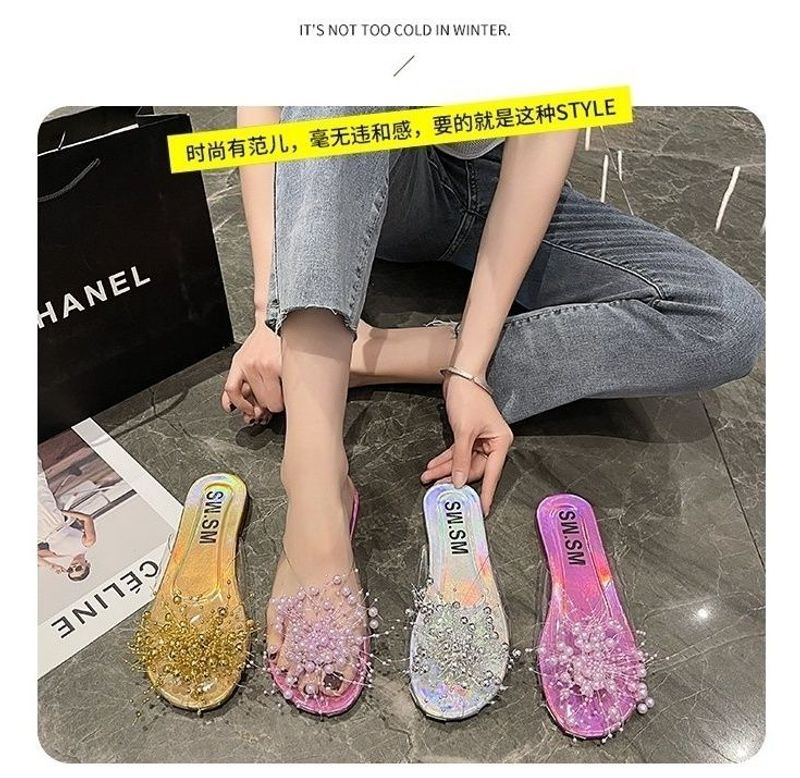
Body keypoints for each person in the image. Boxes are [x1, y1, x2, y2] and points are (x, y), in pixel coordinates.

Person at [221, 106, 765, 701]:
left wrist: (469, 366)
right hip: (370, 173)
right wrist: (269, 312)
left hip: (497, 176)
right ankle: (315, 482)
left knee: (726, 323)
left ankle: (364, 357)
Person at [38, 458, 96, 582]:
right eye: (79, 568)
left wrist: (51, 566)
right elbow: (87, 519)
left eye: (70, 570)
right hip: (54, 522)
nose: (74, 567)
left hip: (41, 533)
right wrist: (64, 513)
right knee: (38, 489)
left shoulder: (58, 555)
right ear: (87, 564)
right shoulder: (87, 543)